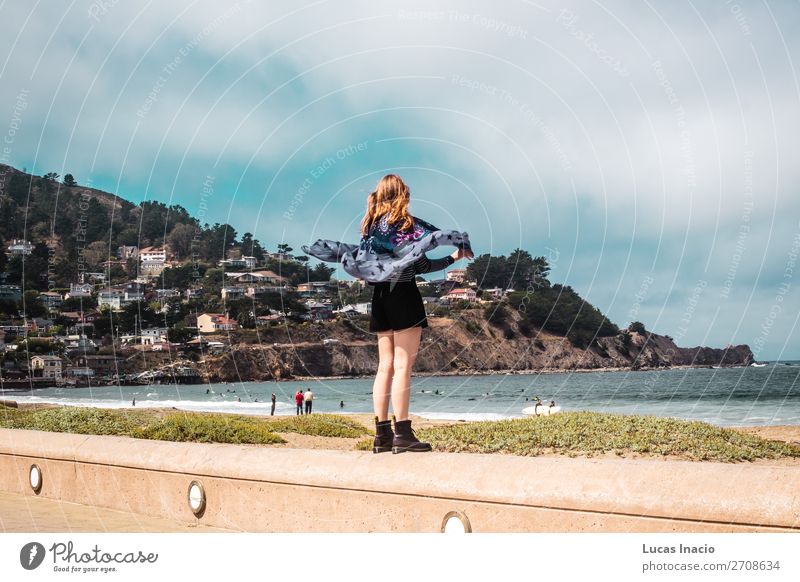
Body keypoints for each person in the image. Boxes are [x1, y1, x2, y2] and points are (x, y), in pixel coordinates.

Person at [304, 174, 472, 453]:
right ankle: (403, 433)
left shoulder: (370, 229)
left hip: (379, 297)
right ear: (403, 194)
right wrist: (455, 257)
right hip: (404, 294)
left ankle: (381, 435)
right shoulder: (407, 226)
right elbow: (420, 268)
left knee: (385, 367)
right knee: (403, 366)